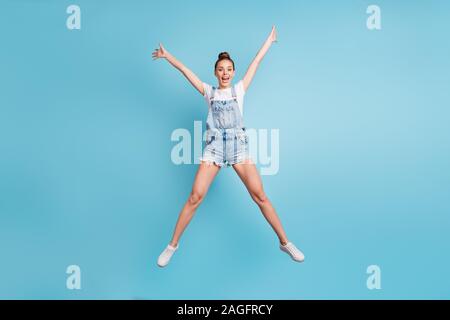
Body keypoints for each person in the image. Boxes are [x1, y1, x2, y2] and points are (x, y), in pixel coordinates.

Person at [152, 26, 304, 267]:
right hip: (213, 150)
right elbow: (185, 71)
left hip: (237, 149)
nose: (225, 73)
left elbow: (256, 61)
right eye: (221, 69)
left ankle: (285, 243)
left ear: (233, 72)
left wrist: (269, 40)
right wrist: (167, 55)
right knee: (195, 197)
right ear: (215, 72)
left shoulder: (239, 90)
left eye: (229, 69)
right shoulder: (209, 92)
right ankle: (172, 246)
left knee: (260, 196)